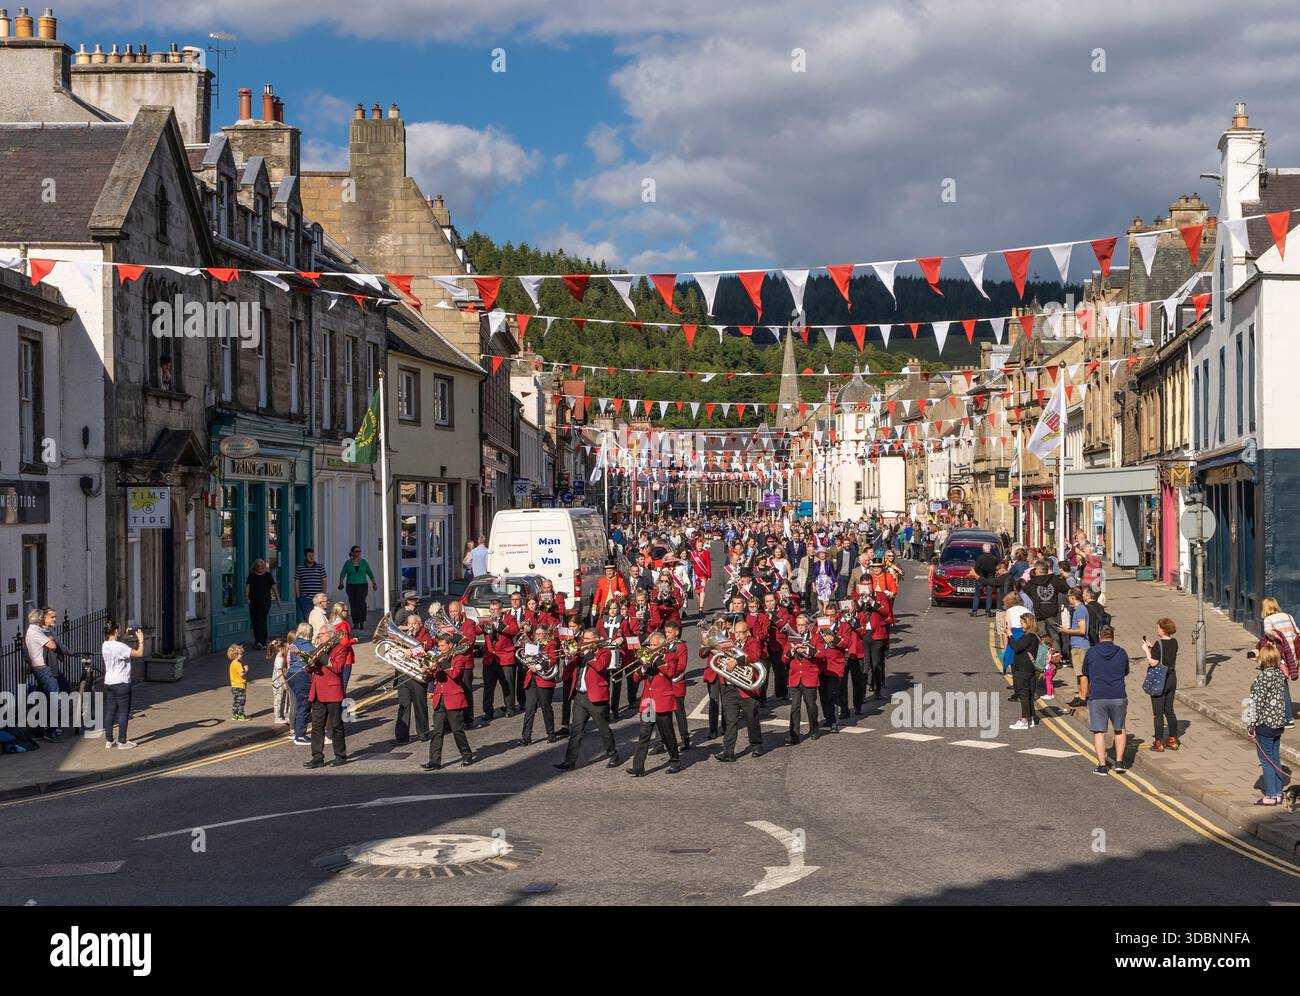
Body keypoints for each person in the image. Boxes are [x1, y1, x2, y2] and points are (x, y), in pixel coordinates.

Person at [553, 630, 619, 770]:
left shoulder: (604, 652)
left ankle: (613, 754)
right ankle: (570, 761)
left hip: (596, 697)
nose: (584, 641)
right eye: (584, 638)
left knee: (603, 729)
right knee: (576, 730)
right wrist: (568, 658)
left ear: (596, 639)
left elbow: (600, 667)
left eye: (588, 639)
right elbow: (567, 674)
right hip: (580, 697)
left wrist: (587, 653)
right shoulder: (580, 653)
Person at [627, 631, 683, 776]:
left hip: (663, 701)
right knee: (644, 734)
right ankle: (638, 766)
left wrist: (657, 660)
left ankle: (675, 760)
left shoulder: (670, 656)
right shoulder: (646, 658)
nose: (650, 647)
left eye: (654, 645)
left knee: (667, 734)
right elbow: (635, 677)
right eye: (650, 645)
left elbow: (670, 672)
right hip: (648, 703)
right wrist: (644, 667)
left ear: (662, 645)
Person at [1082, 625, 1130, 775]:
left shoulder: (1091, 653)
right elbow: (1126, 671)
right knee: (1119, 729)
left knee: (1099, 732)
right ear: (1113, 637)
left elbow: (1085, 673)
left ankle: (1102, 766)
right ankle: (1120, 763)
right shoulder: (1121, 653)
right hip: (1118, 695)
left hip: (1098, 696)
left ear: (1099, 637)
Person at [715, 619, 764, 762]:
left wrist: (737, 661)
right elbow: (720, 656)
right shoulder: (730, 643)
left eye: (739, 632)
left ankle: (756, 745)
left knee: (751, 718)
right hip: (730, 688)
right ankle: (728, 752)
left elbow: (755, 656)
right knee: (730, 721)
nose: (736, 635)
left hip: (747, 688)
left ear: (747, 633)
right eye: (735, 632)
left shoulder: (752, 642)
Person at [423, 633, 474, 770]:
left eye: (442, 646)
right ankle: (434, 761)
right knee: (437, 731)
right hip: (440, 698)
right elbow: (433, 678)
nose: (439, 649)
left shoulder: (460, 658)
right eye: (438, 646)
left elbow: (456, 675)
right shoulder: (440, 659)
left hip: (454, 698)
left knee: (457, 730)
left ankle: (466, 754)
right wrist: (428, 671)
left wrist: (443, 662)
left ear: (450, 645)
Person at [303, 624, 350, 768]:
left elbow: (337, 668)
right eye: (319, 634)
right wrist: (310, 662)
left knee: (336, 725)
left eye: (322, 634)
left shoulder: (340, 648)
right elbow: (308, 669)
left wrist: (322, 656)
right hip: (317, 691)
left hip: (332, 692)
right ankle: (317, 757)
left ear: (331, 634)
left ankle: (340, 755)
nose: (319, 637)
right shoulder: (319, 649)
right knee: (317, 726)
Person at [1249, 644, 1289, 806]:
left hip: (1264, 724)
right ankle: (1278, 793)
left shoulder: (1262, 678)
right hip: (1278, 724)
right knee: (1275, 758)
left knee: (1266, 761)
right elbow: (1270, 671)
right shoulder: (1279, 674)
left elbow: (1256, 704)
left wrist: (1251, 726)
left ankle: (1270, 796)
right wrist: (1261, 661)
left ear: (1264, 659)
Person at [101, 619, 144, 749]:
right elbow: (139, 653)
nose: (120, 631)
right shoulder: (120, 647)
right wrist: (141, 640)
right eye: (118, 629)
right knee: (123, 712)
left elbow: (120, 648)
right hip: (122, 683)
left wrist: (125, 637)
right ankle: (122, 741)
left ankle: (109, 740)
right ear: (115, 630)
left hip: (109, 682)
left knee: (110, 711)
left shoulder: (105, 645)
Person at [25, 606, 65, 741]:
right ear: (39, 619)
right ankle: (51, 731)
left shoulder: (33, 631)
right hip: (44, 670)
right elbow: (52, 646)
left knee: (44, 700)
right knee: (54, 699)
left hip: (39, 669)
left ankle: (41, 729)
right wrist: (50, 638)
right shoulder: (36, 632)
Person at [1141, 618, 1180, 752]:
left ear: (1163, 629)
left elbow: (1153, 663)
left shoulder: (1159, 644)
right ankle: (1173, 740)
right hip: (1172, 678)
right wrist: (1153, 648)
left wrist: (1147, 650)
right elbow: (1165, 656)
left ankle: (1158, 742)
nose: (1157, 630)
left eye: (1158, 628)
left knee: (1158, 713)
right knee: (1169, 710)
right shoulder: (1174, 642)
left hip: (1160, 680)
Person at [393, 614, 432, 745]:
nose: (411, 626)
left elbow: (427, 646)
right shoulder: (404, 636)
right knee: (403, 706)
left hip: (417, 676)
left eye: (414, 624)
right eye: (409, 624)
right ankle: (401, 736)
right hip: (403, 674)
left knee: (419, 705)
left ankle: (423, 733)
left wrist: (413, 652)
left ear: (419, 625)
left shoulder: (425, 634)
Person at [1261, 596, 1299, 728]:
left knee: (1282, 687)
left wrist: (1278, 638)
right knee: (1280, 685)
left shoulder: (1268, 619)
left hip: (1279, 657)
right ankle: (1276, 713)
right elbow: (1297, 632)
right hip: (1292, 657)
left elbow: (1268, 632)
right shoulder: (1288, 616)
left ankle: (1288, 719)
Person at [784, 613, 822, 744]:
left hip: (809, 676)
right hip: (795, 677)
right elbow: (784, 658)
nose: (800, 628)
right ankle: (793, 735)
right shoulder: (792, 638)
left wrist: (806, 649)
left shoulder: (815, 637)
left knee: (811, 706)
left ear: (807, 626)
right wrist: (792, 651)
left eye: (803, 625)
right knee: (794, 707)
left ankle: (814, 728)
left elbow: (820, 654)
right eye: (798, 625)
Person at [1005, 615, 1041, 730]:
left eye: (1023, 623)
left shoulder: (1029, 636)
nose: (1021, 625)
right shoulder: (1033, 636)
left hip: (1023, 669)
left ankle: (1024, 719)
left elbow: (1016, 647)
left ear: (1029, 623)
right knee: (1029, 693)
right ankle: (1031, 717)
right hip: (1029, 669)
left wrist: (1010, 635)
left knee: (1024, 694)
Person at [285, 623, 315, 745]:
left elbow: (293, 657)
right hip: (302, 675)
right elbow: (311, 663)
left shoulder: (293, 643)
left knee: (297, 705)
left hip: (290, 675)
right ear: (309, 632)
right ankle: (300, 736)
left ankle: (296, 732)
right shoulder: (309, 647)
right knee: (304, 705)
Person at [244, 559, 281, 650]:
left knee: (262, 620)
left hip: (265, 602)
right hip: (253, 602)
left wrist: (278, 600)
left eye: (263, 565)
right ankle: (258, 642)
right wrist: (247, 598)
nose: (262, 567)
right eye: (260, 566)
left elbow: (274, 588)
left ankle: (262, 642)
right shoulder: (251, 576)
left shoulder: (268, 576)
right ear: (255, 567)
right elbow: (247, 588)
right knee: (255, 622)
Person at [337, 546, 377, 629]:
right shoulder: (348, 563)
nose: (358, 553)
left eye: (359, 551)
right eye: (356, 551)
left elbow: (370, 573)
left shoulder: (364, 562)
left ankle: (362, 621)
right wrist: (341, 583)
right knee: (353, 604)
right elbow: (343, 574)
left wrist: (374, 583)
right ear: (352, 552)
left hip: (362, 585)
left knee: (361, 602)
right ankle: (355, 622)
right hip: (351, 586)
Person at [293, 548, 327, 623]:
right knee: (308, 618)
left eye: (313, 556)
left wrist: (323, 595)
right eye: (309, 556)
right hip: (305, 598)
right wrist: (298, 596)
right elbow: (296, 582)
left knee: (319, 617)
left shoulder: (320, 567)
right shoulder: (300, 568)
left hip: (318, 598)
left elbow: (324, 581)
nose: (311, 557)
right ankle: (309, 633)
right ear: (305, 557)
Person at [969, 543, 1000, 618]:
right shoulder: (994, 558)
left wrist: (976, 573)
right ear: (990, 549)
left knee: (977, 594)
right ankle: (987, 612)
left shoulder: (980, 558)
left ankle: (974, 611)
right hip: (990, 577)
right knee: (989, 595)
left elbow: (976, 568)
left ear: (983, 549)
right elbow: (997, 567)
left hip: (981, 577)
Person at [330, 601, 355, 692]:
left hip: (335, 657)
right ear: (341, 612)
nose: (348, 613)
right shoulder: (343, 624)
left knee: (337, 683)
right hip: (345, 657)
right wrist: (354, 640)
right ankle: (341, 704)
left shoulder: (331, 624)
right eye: (346, 611)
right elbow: (345, 643)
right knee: (343, 684)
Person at [269, 634, 292, 726]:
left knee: (283, 699)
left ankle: (281, 716)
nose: (288, 649)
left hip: (281, 680)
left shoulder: (282, 655)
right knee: (279, 699)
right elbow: (279, 672)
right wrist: (284, 683)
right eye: (287, 646)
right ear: (282, 647)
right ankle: (277, 717)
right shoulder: (280, 657)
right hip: (279, 680)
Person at [228, 643, 250, 721]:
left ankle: (235, 714)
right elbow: (242, 674)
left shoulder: (232, 663)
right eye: (241, 654)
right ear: (235, 655)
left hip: (234, 685)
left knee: (236, 701)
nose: (242, 655)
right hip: (240, 685)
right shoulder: (238, 664)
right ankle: (241, 715)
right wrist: (246, 670)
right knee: (241, 700)